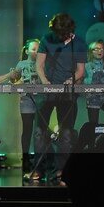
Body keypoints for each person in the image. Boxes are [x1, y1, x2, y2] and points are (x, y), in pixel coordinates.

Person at [35, 13, 86, 182]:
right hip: (48, 92)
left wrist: (71, 80)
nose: (58, 36)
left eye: (61, 33)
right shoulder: (47, 39)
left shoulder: (78, 43)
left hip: (67, 94)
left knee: (66, 132)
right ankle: (39, 169)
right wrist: (45, 81)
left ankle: (62, 169)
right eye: (56, 33)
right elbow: (39, 65)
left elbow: (80, 70)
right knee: (40, 131)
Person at [6, 39, 41, 174]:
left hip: (41, 100)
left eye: (38, 49)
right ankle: (25, 159)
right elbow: (14, 80)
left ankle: (39, 161)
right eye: (33, 49)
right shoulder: (21, 64)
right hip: (26, 100)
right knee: (27, 130)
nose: (36, 52)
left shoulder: (42, 63)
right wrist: (13, 78)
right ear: (27, 51)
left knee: (40, 131)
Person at [84, 41, 104, 125]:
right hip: (92, 98)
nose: (99, 51)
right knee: (93, 124)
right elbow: (81, 81)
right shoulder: (86, 66)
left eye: (101, 49)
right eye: (96, 49)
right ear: (91, 51)